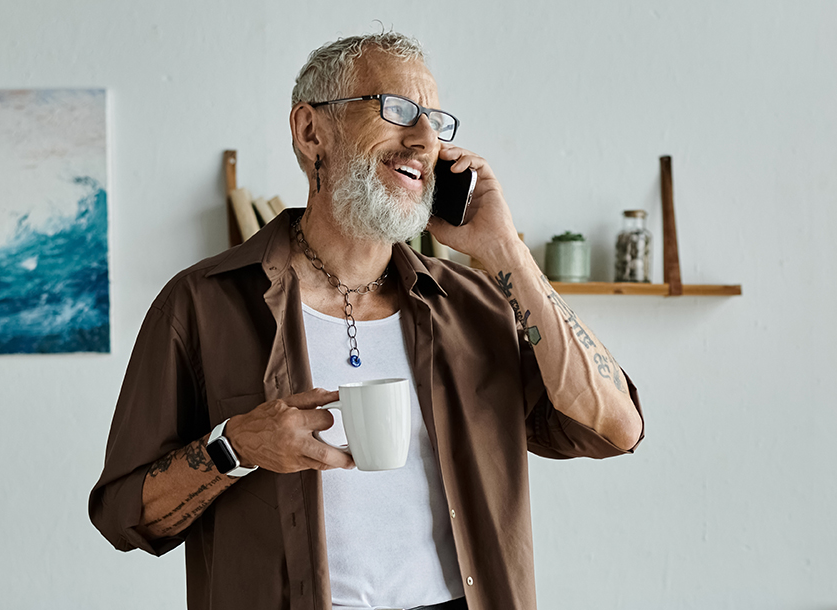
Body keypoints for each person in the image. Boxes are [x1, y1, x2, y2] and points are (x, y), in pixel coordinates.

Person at [89, 31, 644, 610]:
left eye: (435, 120)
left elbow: (616, 428)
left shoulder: (474, 305)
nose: (426, 139)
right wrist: (235, 447)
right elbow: (124, 516)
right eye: (398, 110)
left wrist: (505, 250)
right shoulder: (199, 304)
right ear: (310, 132)